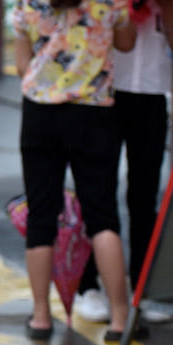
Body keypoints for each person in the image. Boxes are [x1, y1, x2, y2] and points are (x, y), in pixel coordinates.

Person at [14, 0, 137, 341]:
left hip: (40, 114)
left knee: (41, 215)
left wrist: (51, 79)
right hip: (93, 113)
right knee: (102, 217)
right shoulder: (111, 2)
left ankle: (41, 316)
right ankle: (119, 318)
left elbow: (22, 65)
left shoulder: (28, 3)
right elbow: (126, 44)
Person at [74, 0, 173, 325]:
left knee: (144, 194)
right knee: (97, 190)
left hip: (152, 91)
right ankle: (87, 285)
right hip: (103, 91)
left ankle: (141, 285)